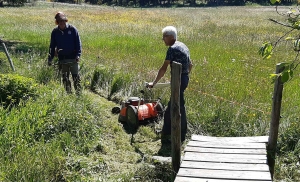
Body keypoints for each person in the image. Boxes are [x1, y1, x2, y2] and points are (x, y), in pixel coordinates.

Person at [148, 26, 193, 143]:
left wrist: (154, 83)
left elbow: (163, 69)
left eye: (164, 37)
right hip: (183, 79)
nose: (163, 40)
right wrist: (185, 76)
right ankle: (167, 132)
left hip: (178, 80)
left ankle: (180, 135)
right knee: (173, 106)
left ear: (171, 37)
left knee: (178, 107)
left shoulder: (172, 49)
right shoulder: (183, 45)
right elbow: (191, 64)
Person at [48, 11, 82, 94]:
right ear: (57, 22)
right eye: (60, 21)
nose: (62, 23)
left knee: (76, 77)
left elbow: (78, 44)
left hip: (73, 58)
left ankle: (79, 95)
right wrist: (50, 59)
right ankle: (69, 95)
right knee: (65, 78)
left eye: (63, 21)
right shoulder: (55, 32)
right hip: (62, 59)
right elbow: (52, 46)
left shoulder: (72, 29)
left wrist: (78, 55)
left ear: (66, 21)